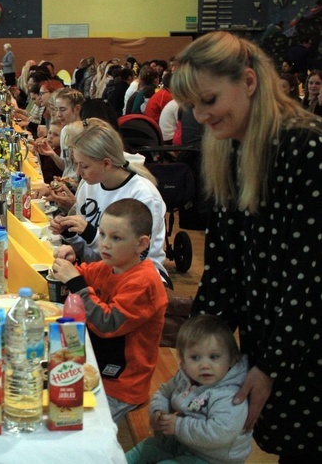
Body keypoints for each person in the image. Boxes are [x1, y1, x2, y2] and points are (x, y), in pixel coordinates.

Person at [171, 30, 322, 461]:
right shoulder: (233, 149)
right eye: (194, 105)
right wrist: (195, 344)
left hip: (304, 342)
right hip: (272, 335)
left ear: (249, 83)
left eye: (210, 101)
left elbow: (308, 277)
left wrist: (272, 364)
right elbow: (224, 264)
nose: (200, 115)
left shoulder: (305, 145)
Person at [52, 198, 168, 423]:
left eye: (116, 238)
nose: (104, 244)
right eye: (102, 234)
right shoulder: (111, 265)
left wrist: (76, 282)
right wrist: (71, 262)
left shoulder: (144, 282)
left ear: (142, 244)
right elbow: (84, 273)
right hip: (97, 365)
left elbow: (107, 323)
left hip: (121, 384)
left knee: (72, 424)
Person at [50, 118, 168, 279]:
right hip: (96, 273)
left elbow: (139, 256)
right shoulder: (89, 185)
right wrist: (69, 233)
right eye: (76, 164)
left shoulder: (143, 194)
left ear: (106, 163)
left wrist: (90, 233)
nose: (78, 172)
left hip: (134, 280)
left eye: (84, 166)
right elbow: (87, 247)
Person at [126, 314, 252, 464]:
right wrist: (159, 411)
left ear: (232, 359)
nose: (205, 365)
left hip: (213, 458)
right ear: (183, 362)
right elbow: (164, 392)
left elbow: (220, 433)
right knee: (147, 448)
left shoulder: (230, 395)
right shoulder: (186, 377)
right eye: (195, 358)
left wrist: (178, 426)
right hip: (184, 443)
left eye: (214, 357)